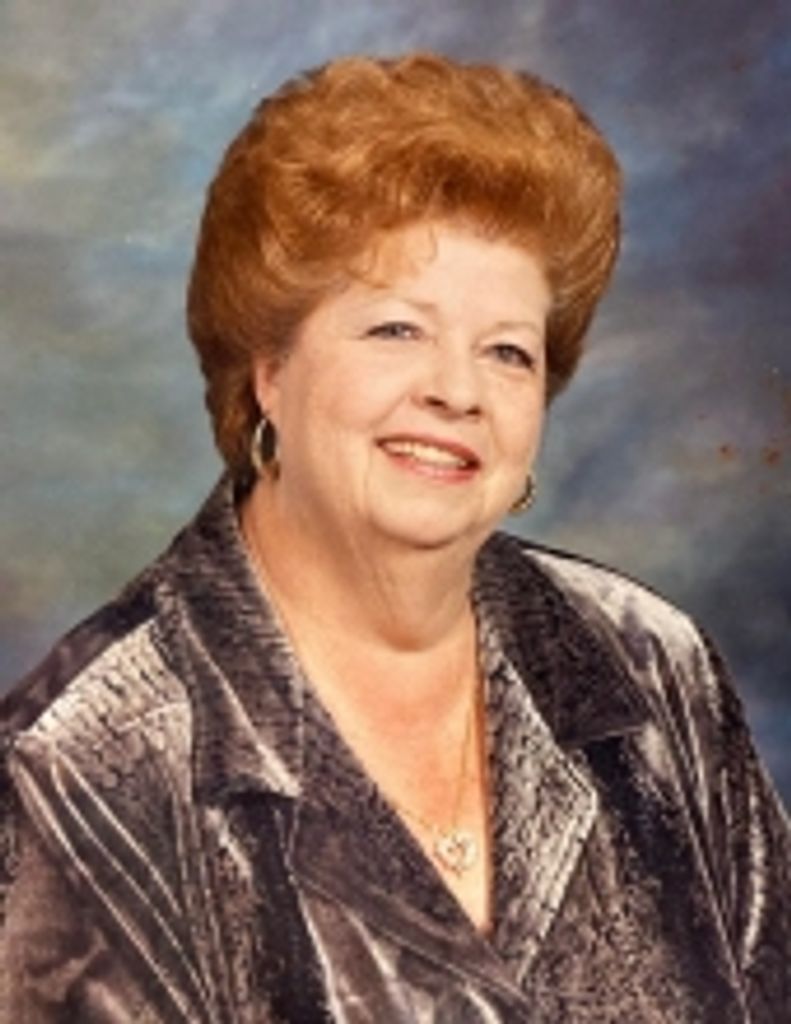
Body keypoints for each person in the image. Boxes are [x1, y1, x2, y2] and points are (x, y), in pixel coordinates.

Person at [1, 52, 789, 1023]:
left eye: (506, 351)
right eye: (395, 331)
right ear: (269, 371)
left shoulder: (646, 666)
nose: (457, 391)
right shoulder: (84, 766)